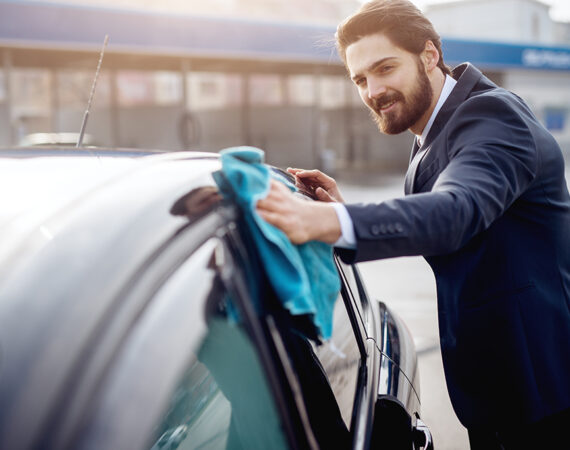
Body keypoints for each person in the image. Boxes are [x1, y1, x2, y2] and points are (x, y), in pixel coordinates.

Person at [256, 1, 570, 449]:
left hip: (543, 393)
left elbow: (454, 212)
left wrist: (328, 221)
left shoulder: (492, 119)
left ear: (429, 55)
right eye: (360, 79)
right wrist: (340, 209)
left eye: (385, 68)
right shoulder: (433, 129)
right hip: (497, 388)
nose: (373, 90)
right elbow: (448, 229)